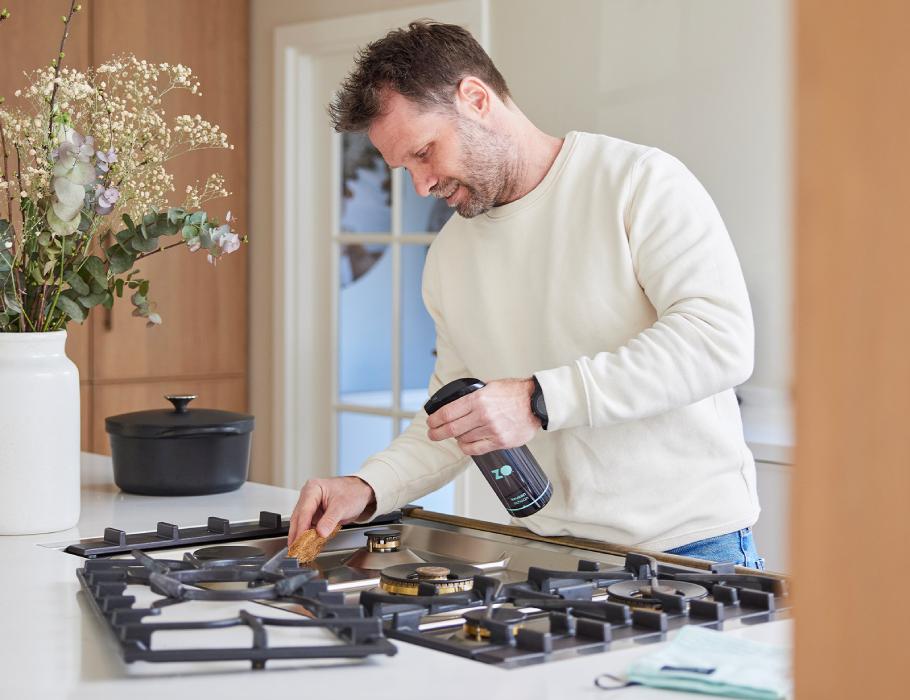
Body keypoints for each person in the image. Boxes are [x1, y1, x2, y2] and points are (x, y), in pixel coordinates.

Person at [288, 21, 764, 568]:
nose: (420, 186)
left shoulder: (638, 182)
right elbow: (454, 416)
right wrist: (368, 485)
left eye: (424, 152)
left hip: (690, 550)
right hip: (548, 558)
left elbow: (719, 340)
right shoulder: (448, 257)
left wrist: (539, 399)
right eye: (403, 169)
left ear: (475, 98)